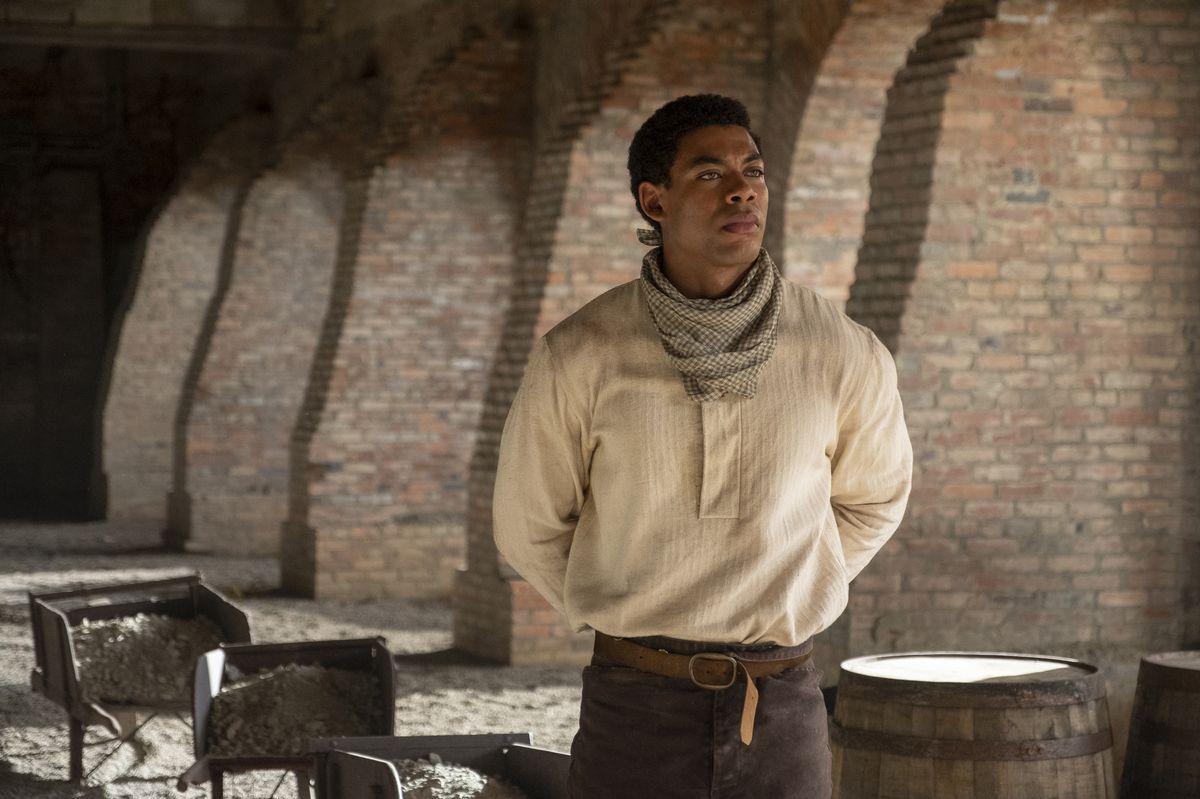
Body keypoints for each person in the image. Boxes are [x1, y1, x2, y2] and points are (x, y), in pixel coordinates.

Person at [493, 93, 912, 798]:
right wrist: (629, 597)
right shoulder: (582, 353)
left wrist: (792, 580)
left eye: (754, 171)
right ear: (654, 201)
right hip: (634, 707)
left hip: (783, 707)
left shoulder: (841, 350)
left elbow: (874, 501)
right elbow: (529, 523)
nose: (743, 189)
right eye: (710, 173)